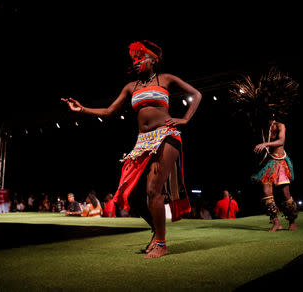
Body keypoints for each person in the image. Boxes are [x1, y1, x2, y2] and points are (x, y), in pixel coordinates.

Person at [62, 40, 202, 258]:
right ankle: (157, 233)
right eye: (134, 60)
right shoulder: (131, 86)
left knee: (153, 189)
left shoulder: (165, 79)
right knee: (133, 195)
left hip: (166, 135)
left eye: (140, 58)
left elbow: (197, 94)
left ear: (153, 60)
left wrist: (185, 119)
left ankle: (162, 244)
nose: (136, 63)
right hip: (142, 141)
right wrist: (82, 109)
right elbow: (109, 111)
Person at [229, 67, 299, 232]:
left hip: (280, 162)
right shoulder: (261, 128)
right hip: (268, 165)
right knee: (266, 193)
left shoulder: (280, 125)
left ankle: (292, 221)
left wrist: (265, 145)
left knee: (285, 195)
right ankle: (276, 222)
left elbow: (281, 141)